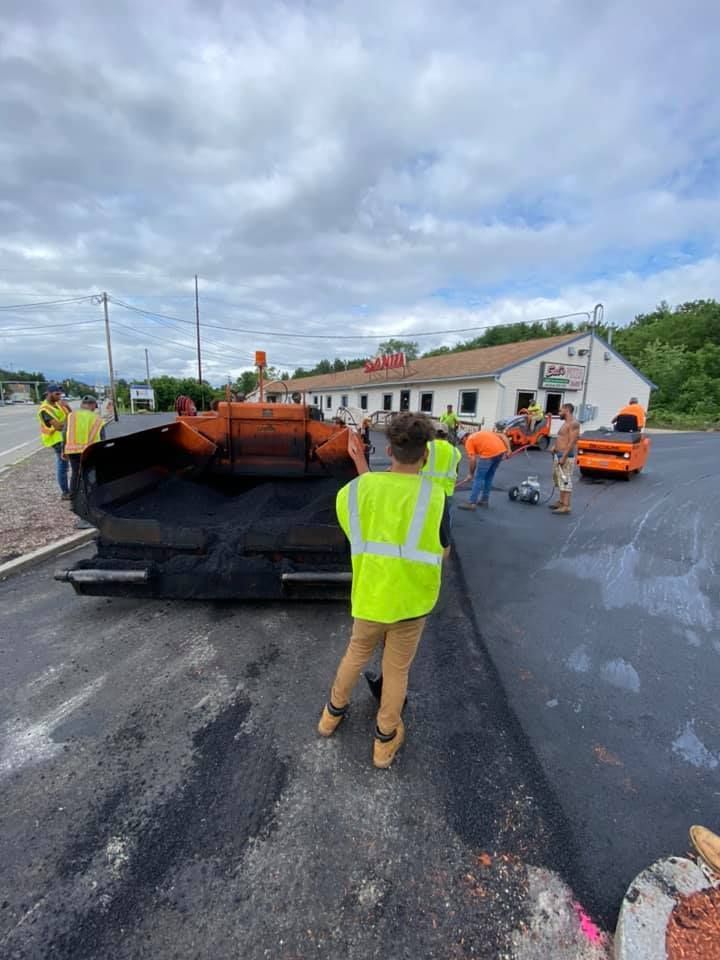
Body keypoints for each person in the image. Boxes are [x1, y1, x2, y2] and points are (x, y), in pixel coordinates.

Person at [318, 412, 451, 769]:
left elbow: (363, 514)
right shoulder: (436, 497)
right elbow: (443, 551)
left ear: (389, 450)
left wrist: (360, 463)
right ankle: (384, 740)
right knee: (396, 671)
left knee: (355, 654)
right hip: (412, 603)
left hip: (370, 599)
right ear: (425, 454)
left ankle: (331, 716)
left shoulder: (356, 490)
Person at [457, 428, 511, 510]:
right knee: (489, 477)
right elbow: (503, 436)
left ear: (464, 437)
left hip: (488, 454)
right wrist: (509, 450)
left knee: (478, 478)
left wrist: (471, 474)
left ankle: (472, 503)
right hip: (500, 452)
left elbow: (473, 459)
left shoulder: (469, 440)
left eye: (461, 442)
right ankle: (484, 500)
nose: (462, 444)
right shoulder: (482, 433)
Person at [63, 396, 106, 498]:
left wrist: (63, 449)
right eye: (94, 407)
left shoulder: (71, 416)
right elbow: (102, 437)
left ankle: (73, 495)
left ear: (82, 404)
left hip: (72, 450)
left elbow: (64, 433)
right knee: (91, 472)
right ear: (92, 405)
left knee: (75, 472)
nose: (94, 409)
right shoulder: (97, 418)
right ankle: (92, 495)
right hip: (90, 450)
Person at [37, 383, 72, 499]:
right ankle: (65, 492)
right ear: (49, 393)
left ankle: (71, 490)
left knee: (69, 465)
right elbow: (58, 426)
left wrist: (67, 407)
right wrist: (69, 423)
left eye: (60, 394)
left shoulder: (59, 404)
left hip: (66, 438)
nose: (59, 396)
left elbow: (72, 416)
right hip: (57, 440)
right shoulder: (44, 409)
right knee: (63, 466)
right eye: (57, 394)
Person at [420, 427, 462, 519]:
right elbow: (456, 470)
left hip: (425, 488)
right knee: (444, 518)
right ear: (446, 435)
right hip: (446, 490)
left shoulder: (425, 447)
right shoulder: (455, 451)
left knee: (423, 517)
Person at [549, 403, 580, 515]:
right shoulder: (565, 423)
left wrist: (564, 457)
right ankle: (561, 502)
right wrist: (554, 447)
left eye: (560, 410)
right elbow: (562, 438)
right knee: (559, 480)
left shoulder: (573, 424)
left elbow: (572, 442)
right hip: (559, 453)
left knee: (565, 480)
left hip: (565, 456)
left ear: (567, 410)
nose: (559, 413)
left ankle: (566, 506)